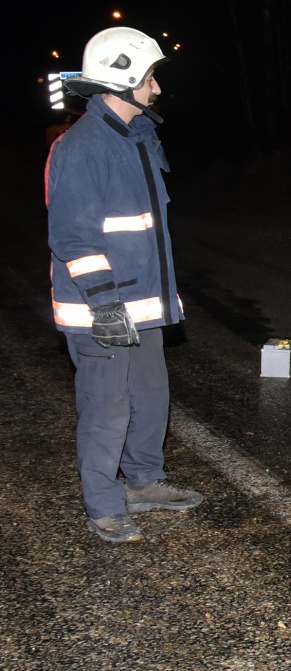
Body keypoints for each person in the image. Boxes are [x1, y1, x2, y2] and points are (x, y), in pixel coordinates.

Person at [46, 27, 202, 544]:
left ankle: (144, 481)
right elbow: (74, 237)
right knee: (106, 408)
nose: (156, 89)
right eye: (151, 77)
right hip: (103, 309)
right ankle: (104, 505)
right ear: (124, 78)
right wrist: (106, 304)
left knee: (150, 397)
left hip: (142, 306)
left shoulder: (137, 137)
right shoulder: (83, 147)